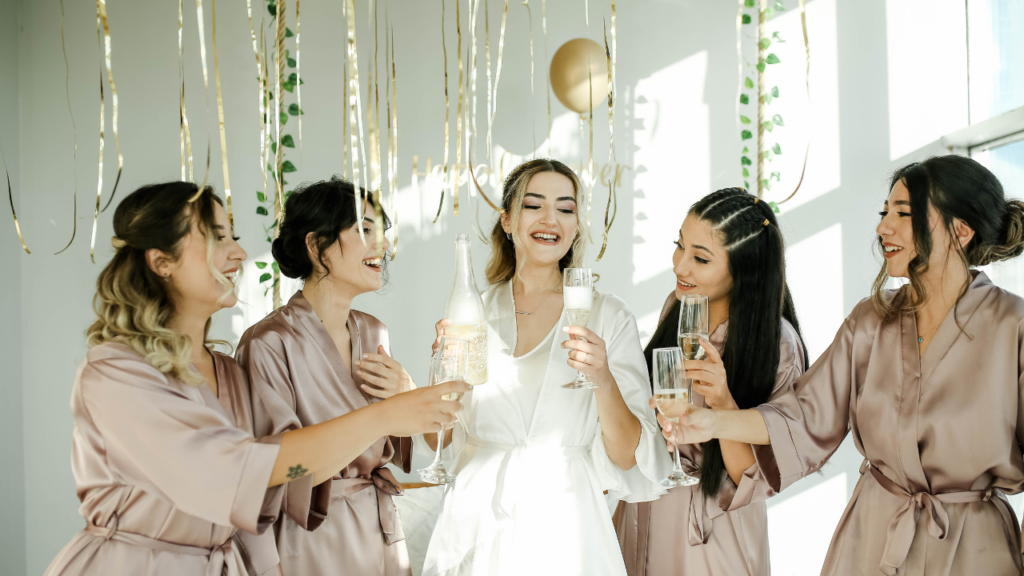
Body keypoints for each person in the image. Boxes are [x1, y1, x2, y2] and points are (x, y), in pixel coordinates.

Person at [43, 182, 468, 576]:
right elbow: (249, 471)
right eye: (217, 237)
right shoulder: (115, 373)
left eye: (233, 235)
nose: (240, 253)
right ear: (162, 262)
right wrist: (387, 416)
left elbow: (260, 503)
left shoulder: (227, 372)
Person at [665, 155, 1024, 575]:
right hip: (873, 537)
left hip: (974, 550)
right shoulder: (870, 321)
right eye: (884, 212)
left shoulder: (1012, 328)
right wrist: (712, 423)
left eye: (903, 214)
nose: (883, 227)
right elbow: (801, 415)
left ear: (959, 231)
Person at [420, 159, 671, 576]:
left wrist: (604, 380)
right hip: (477, 516)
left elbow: (628, 456)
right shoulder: (472, 311)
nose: (550, 219)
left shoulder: (607, 315)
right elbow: (438, 440)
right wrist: (439, 376)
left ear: (575, 225)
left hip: (568, 521)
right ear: (507, 220)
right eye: (534, 205)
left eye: (566, 208)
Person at [615, 187, 808, 575]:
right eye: (679, 246)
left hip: (712, 531)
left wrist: (722, 401)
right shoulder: (680, 308)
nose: (680, 266)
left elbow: (751, 477)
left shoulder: (777, 344)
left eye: (700, 258)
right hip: (644, 508)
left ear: (745, 267)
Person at [236, 178, 417, 576]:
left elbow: (413, 436)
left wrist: (410, 394)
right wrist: (393, 413)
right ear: (317, 247)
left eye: (382, 231)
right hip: (311, 537)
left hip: (379, 530)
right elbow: (278, 469)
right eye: (364, 229)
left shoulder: (374, 332)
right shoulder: (267, 344)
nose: (383, 245)